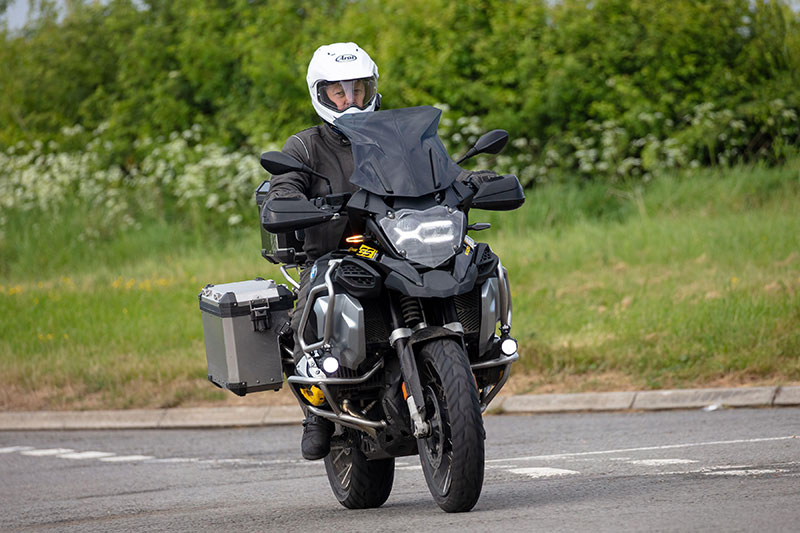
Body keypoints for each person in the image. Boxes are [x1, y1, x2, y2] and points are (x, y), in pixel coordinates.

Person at [264, 42, 497, 461]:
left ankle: (475, 355)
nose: (350, 100)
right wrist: (293, 203)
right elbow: (283, 189)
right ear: (321, 95)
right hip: (338, 253)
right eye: (339, 92)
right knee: (311, 299)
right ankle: (316, 412)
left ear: (373, 89)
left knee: (474, 261)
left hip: (400, 246)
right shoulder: (305, 146)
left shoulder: (401, 136)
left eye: (359, 89)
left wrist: (475, 181)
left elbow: (444, 172)